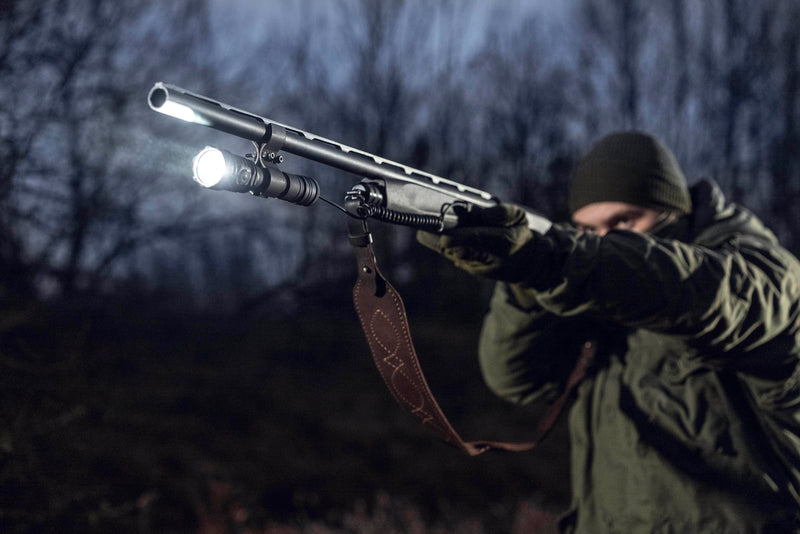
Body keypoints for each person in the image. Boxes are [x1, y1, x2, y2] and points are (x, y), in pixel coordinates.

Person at [417, 132, 800, 533]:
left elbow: (707, 293)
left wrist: (556, 262)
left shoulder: (767, 276)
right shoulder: (590, 294)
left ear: (674, 210)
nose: (605, 240)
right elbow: (513, 379)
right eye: (587, 229)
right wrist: (524, 286)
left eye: (624, 221)